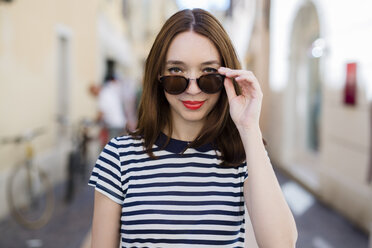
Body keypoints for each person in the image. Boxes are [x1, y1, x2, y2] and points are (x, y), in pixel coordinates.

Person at [88, 8, 297, 248]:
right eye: (177, 71)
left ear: (227, 77)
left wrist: (249, 127)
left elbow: (282, 244)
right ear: (158, 75)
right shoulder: (119, 157)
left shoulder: (243, 155)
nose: (193, 89)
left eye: (208, 73)